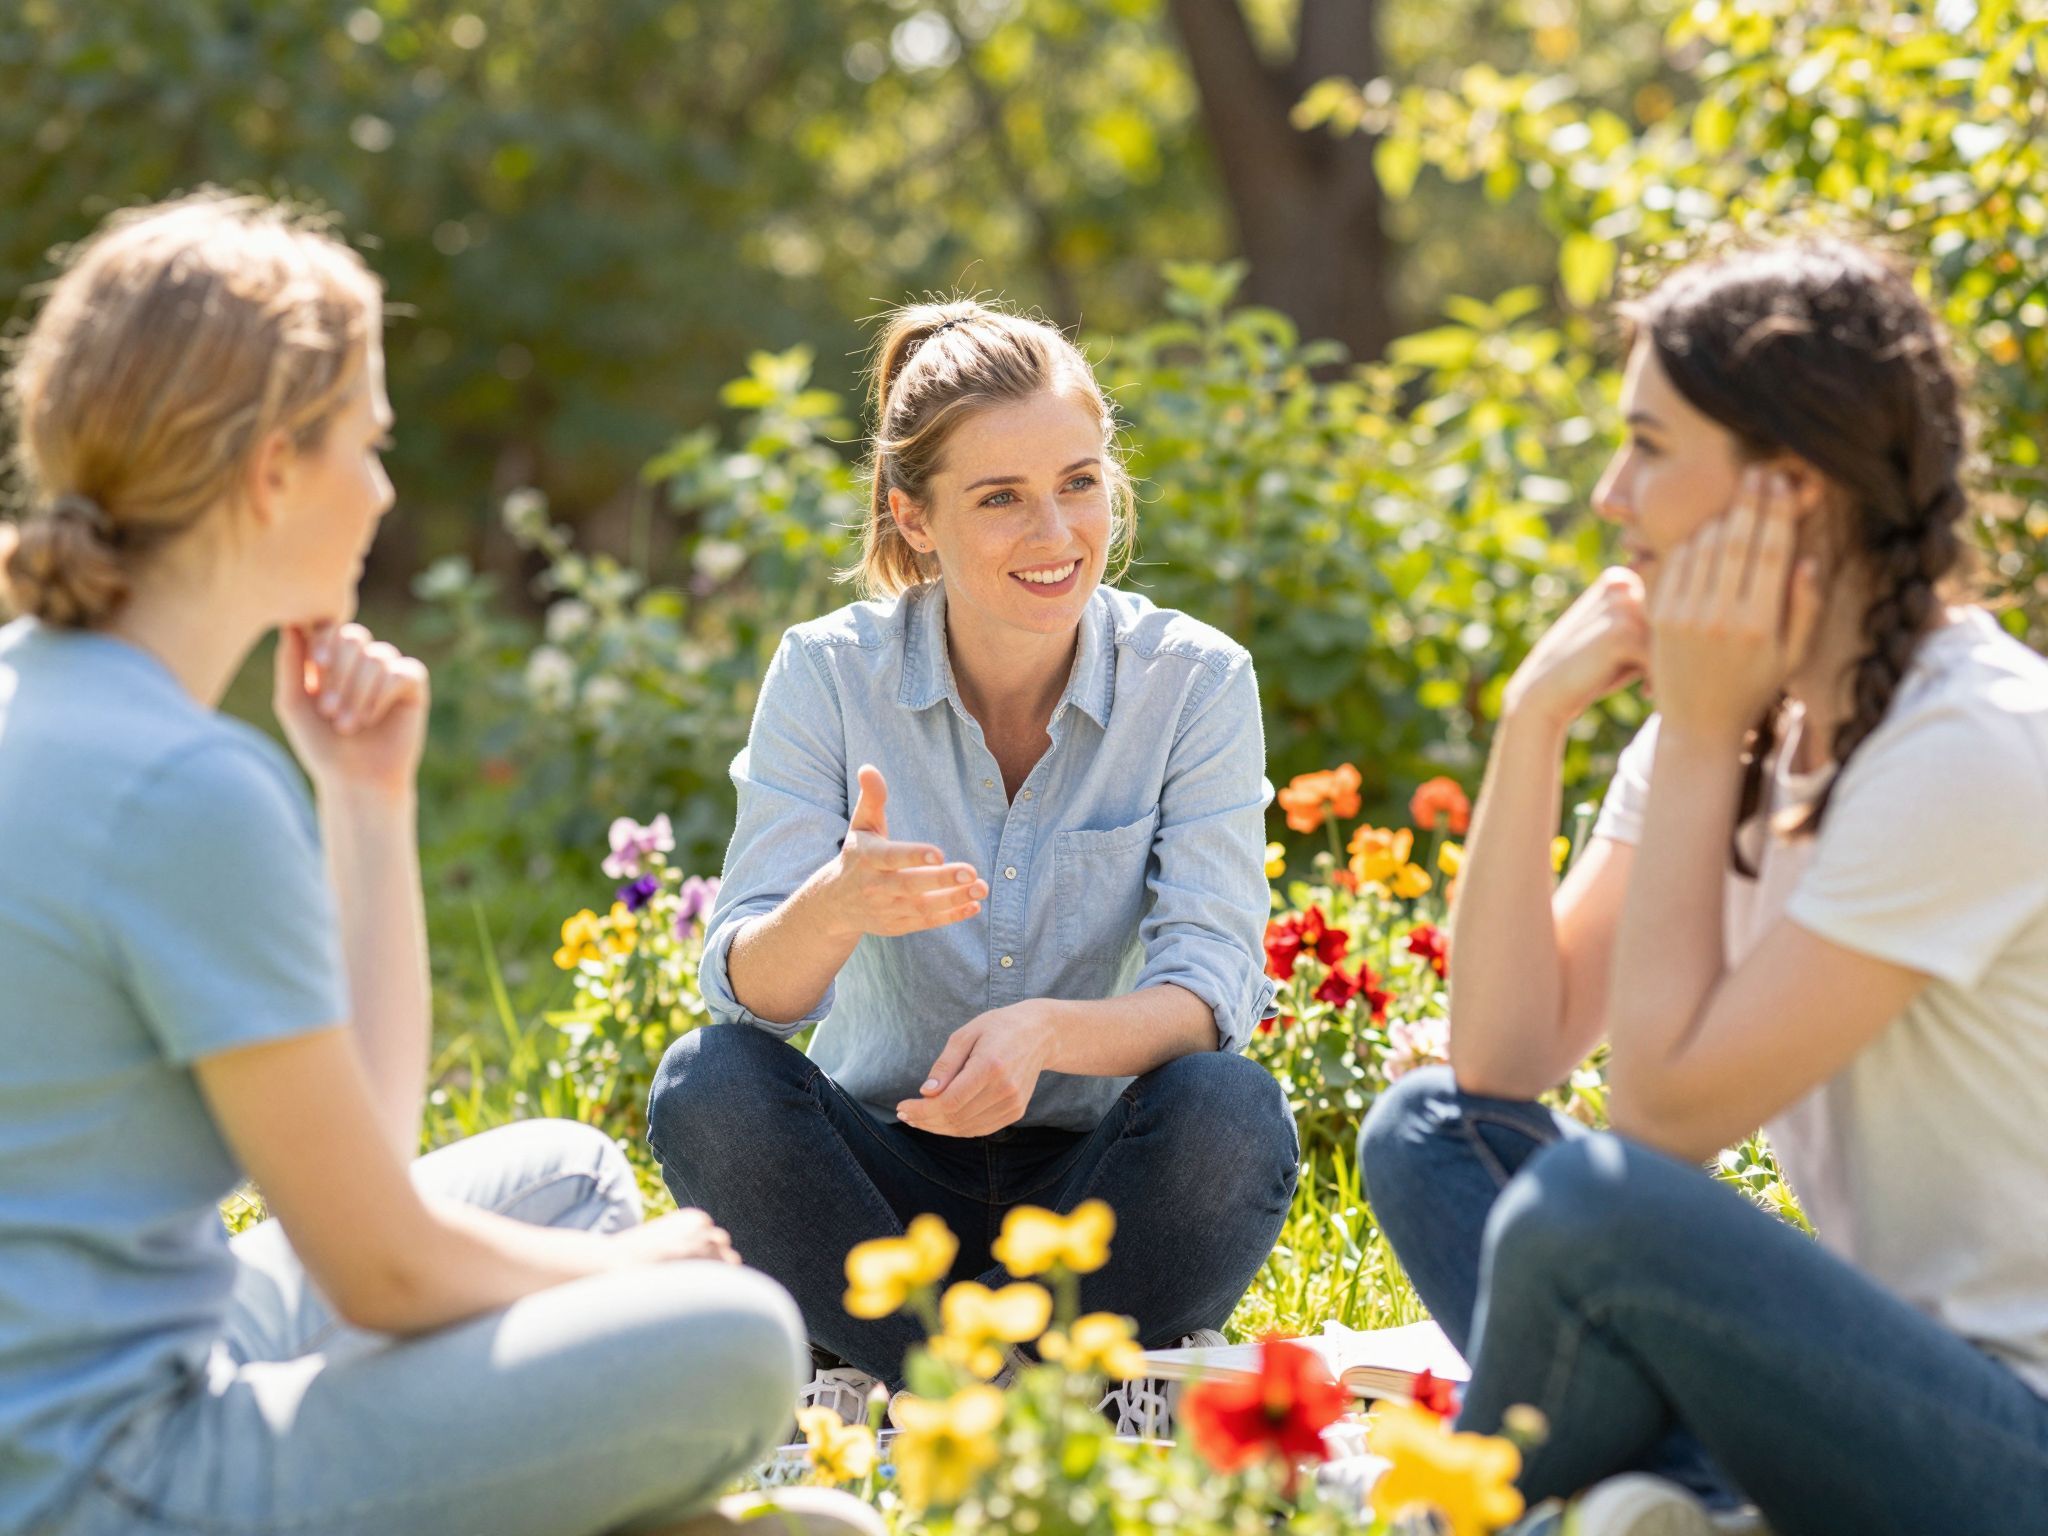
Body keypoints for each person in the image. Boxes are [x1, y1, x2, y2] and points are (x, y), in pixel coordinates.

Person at [0, 192, 874, 1536]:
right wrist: (626, 1284)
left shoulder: (48, 702)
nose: (387, 489)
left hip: (149, 1342)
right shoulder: (182, 788)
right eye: (369, 443)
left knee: (564, 1177)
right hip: (115, 1473)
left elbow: (366, 1156)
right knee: (741, 1337)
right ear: (272, 468)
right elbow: (382, 1279)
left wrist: (365, 798)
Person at [1358, 238, 2048, 1536]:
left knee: (1586, 1211)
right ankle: (1682, 1506)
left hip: (2012, 1452)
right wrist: (1532, 723)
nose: (1612, 494)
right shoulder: (1740, 724)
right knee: (1429, 1132)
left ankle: (1485, 1511)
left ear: (1788, 488)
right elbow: (1505, 1058)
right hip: (1847, 1384)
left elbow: (1660, 1116)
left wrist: (1686, 731)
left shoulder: (1971, 745)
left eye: (1650, 448)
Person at [646, 299, 1299, 1425]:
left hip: (1098, 1190)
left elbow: (1209, 989)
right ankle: (1035, 1395)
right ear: (912, 520)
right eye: (999, 498)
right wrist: (834, 907)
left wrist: (1046, 1033)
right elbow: (747, 987)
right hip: (880, 1194)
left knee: (1228, 1115)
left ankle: (916, 1389)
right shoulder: (828, 673)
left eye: (1079, 482)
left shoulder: (1193, 682)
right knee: (707, 1085)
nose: (1054, 534)